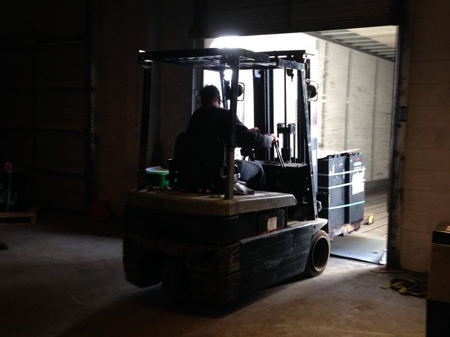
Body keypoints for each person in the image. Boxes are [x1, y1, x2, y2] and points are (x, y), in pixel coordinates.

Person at [186, 85, 277, 190]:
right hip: (219, 170)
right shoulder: (224, 114)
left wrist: (246, 131)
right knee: (258, 168)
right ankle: (258, 206)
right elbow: (251, 140)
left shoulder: (196, 116)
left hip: (196, 170)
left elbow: (214, 141)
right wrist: (270, 138)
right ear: (219, 100)